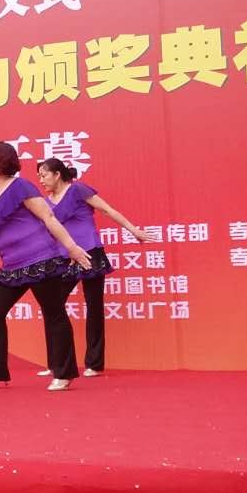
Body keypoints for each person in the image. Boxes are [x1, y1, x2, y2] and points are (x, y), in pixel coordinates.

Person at [0, 142, 93, 392]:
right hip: (11, 265)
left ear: (4, 161)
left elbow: (48, 217)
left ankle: (63, 373)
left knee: (53, 311)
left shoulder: (21, 186)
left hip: (40, 258)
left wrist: (72, 247)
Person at [36, 158, 153, 378]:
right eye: (39, 176)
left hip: (90, 252)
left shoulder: (78, 190)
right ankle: (56, 363)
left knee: (94, 306)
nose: (41, 180)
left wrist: (134, 230)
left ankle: (94, 363)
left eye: (44, 175)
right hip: (65, 257)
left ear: (57, 174)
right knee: (53, 307)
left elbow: (107, 210)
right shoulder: (44, 202)